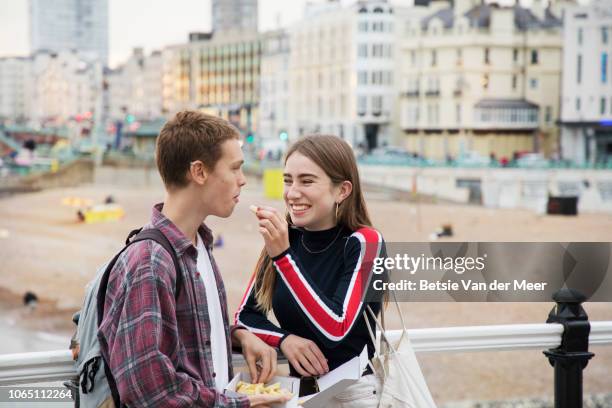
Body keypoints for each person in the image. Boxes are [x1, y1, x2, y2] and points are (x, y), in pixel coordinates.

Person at [98, 111, 289, 407]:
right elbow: (148, 389)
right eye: (235, 168)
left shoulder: (198, 244)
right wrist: (240, 404)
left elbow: (187, 333)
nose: (242, 181)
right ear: (199, 172)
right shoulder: (150, 261)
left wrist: (239, 337)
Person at [234, 135, 386, 407]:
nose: (292, 193)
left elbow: (336, 329)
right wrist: (285, 340)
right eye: (288, 180)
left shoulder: (365, 243)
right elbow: (245, 316)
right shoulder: (285, 238)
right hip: (297, 395)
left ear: (342, 190)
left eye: (307, 181)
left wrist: (282, 256)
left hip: (353, 396)